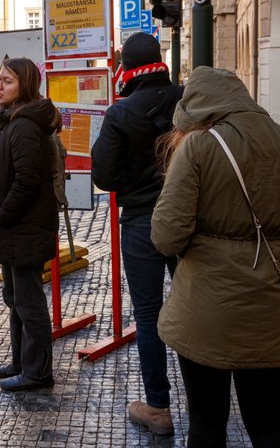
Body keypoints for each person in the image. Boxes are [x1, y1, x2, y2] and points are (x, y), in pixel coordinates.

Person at [151, 67, 280, 447]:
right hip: (267, 303)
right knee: (267, 423)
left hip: (205, 306)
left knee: (206, 425)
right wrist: (272, 229)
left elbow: (166, 236)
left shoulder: (197, 147)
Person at [90, 32, 183, 436]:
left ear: (126, 66)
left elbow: (104, 177)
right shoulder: (186, 100)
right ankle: (206, 397)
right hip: (187, 219)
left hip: (143, 223)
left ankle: (159, 408)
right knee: (198, 303)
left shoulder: (121, 112)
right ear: (160, 60)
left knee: (148, 315)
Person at [0, 57, 60, 392]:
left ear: (24, 86)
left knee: (29, 300)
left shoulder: (25, 124)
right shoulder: (11, 119)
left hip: (25, 225)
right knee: (14, 296)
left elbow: (26, 181)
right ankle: (21, 361)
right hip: (16, 226)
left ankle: (38, 372)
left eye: (8, 81)